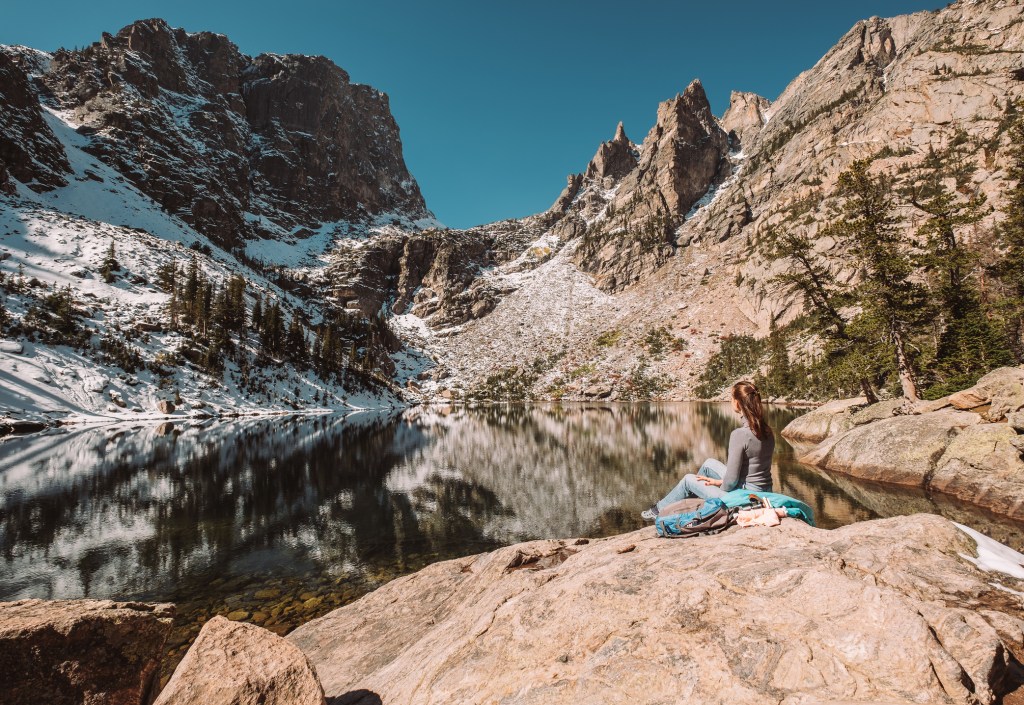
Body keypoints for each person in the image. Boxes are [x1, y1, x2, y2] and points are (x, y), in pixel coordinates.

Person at [641, 380, 775, 520]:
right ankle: (690, 506)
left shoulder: (739, 434)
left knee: (688, 480)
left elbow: (730, 482)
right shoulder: (767, 431)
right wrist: (717, 483)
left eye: (731, 398)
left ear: (737, 403)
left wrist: (718, 488)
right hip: (763, 493)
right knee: (709, 464)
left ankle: (659, 510)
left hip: (744, 499)